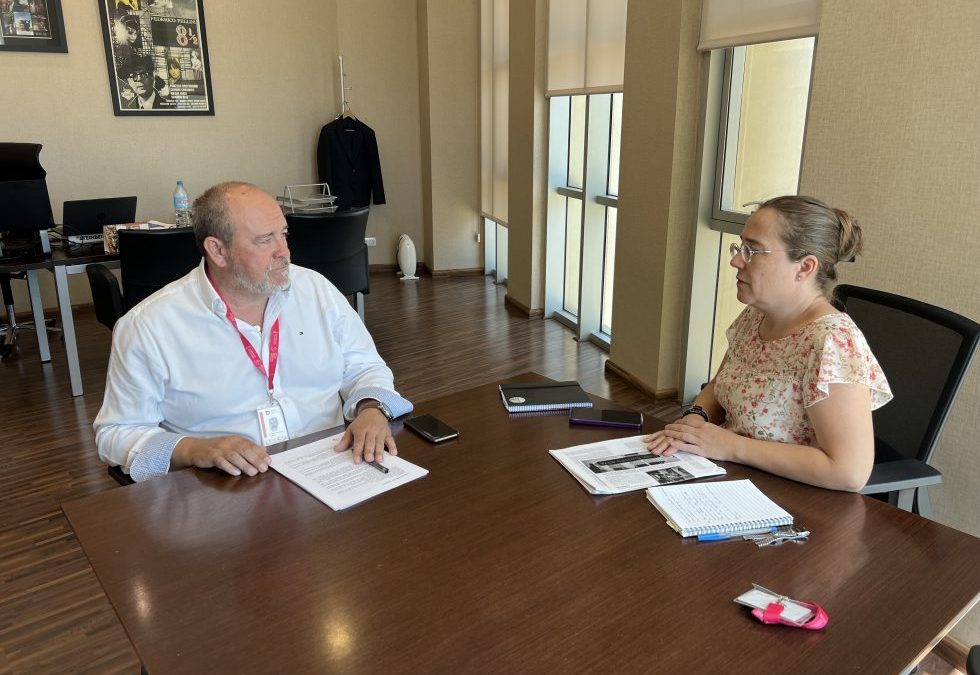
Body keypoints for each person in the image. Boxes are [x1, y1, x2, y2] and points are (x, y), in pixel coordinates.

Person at [94, 182, 409, 481]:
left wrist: (372, 409)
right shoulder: (148, 327)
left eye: (283, 234)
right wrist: (193, 449)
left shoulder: (314, 289)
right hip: (229, 490)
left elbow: (365, 367)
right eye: (265, 240)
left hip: (333, 466)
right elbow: (117, 433)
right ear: (218, 251)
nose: (284, 251)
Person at [643, 195, 893, 491]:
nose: (736, 260)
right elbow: (722, 383)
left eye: (753, 250)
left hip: (793, 499)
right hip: (730, 478)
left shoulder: (831, 342)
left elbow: (849, 472)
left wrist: (728, 445)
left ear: (805, 267)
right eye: (740, 247)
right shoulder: (756, 315)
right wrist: (695, 419)